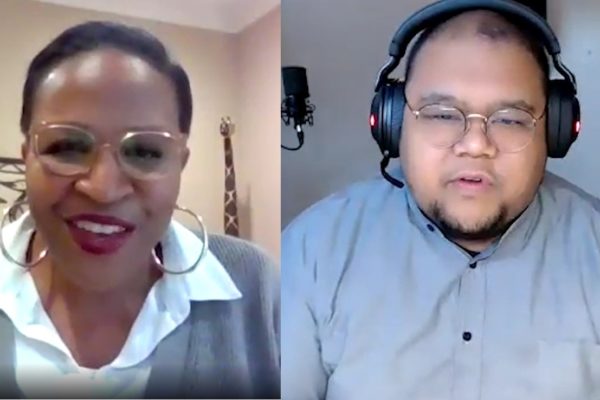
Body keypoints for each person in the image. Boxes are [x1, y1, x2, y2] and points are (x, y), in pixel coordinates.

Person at [281, 1, 600, 400]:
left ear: (555, 131)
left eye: (510, 119)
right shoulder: (312, 251)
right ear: (393, 123)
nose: (475, 145)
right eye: (442, 114)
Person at [0, 20, 279, 399]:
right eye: (66, 146)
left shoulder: (255, 286)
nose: (103, 189)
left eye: (145, 152)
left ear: (179, 164)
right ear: (27, 158)